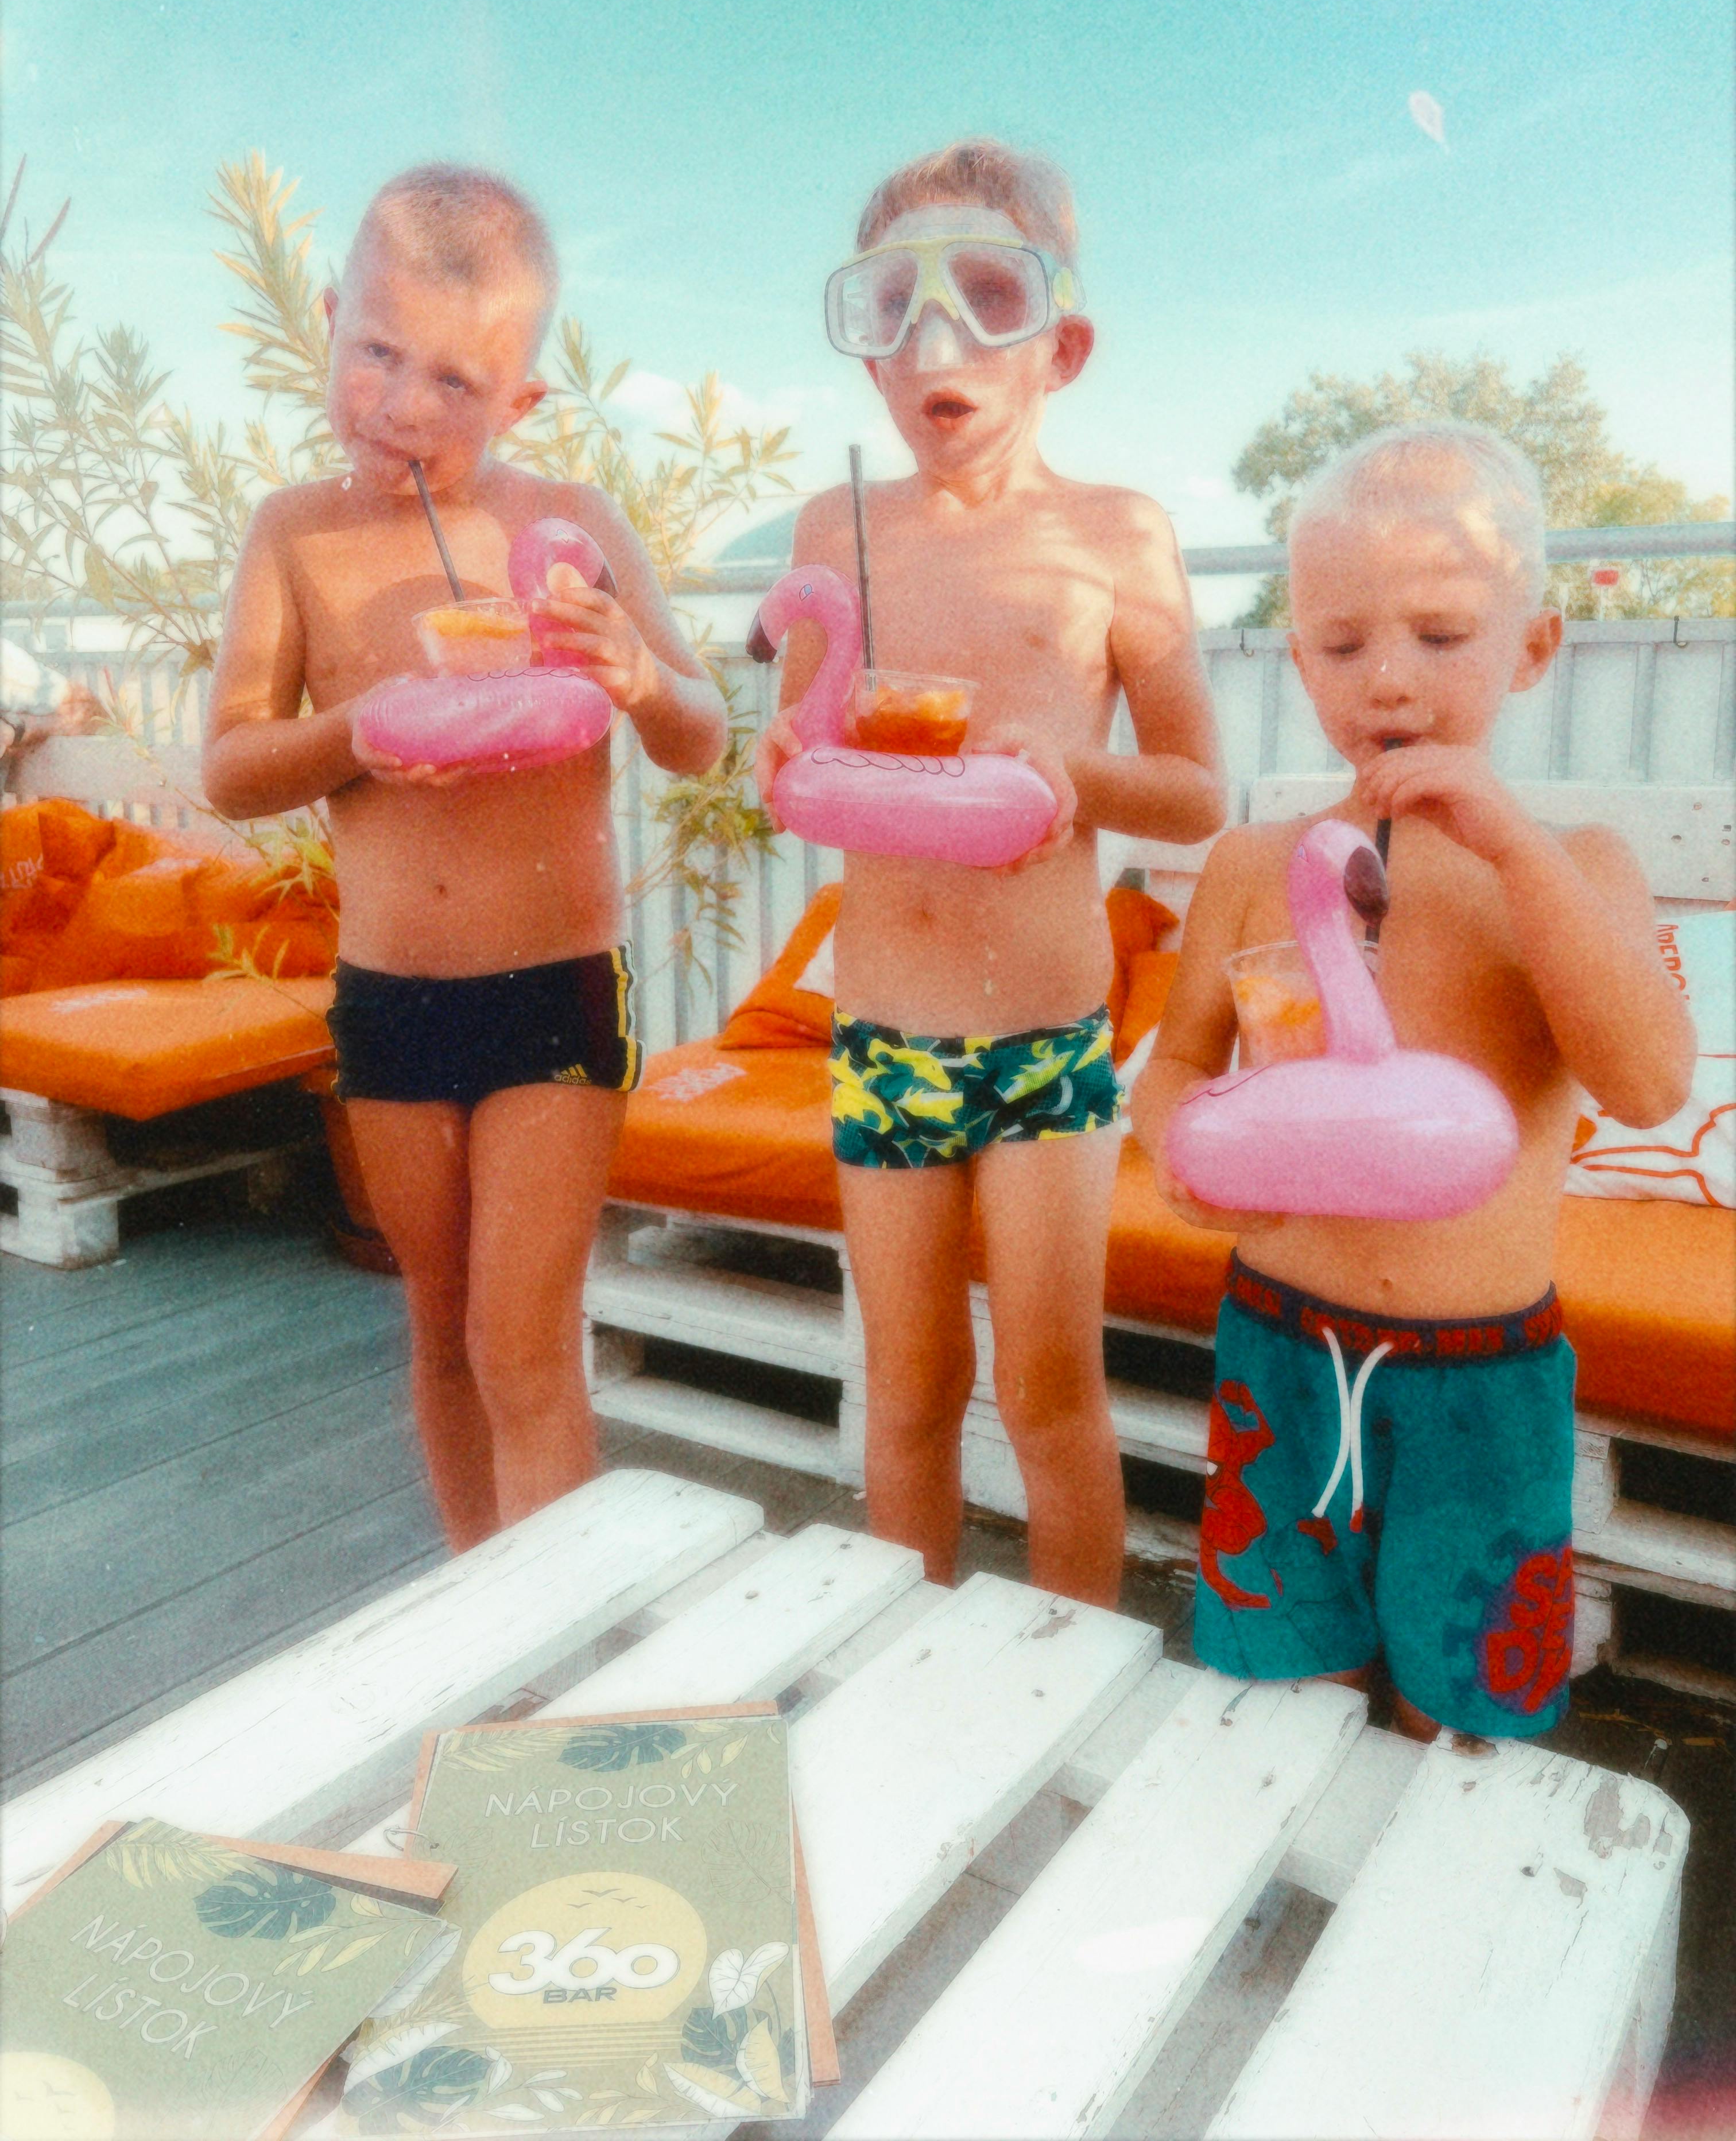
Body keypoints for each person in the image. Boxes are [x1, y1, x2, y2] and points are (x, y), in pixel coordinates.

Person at [1133, 424, 1694, 1737]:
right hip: (1276, 1346)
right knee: (1281, 1694)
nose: (1389, 679)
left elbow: (1649, 1082)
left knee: (1461, 1719)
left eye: (1441, 637)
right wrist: (1181, 1156)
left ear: (1534, 649)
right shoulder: (1252, 862)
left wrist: (1513, 851)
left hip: (1484, 1381)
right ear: (1297, 659)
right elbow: (1174, 1069)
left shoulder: (1578, 868)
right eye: (1342, 644)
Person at [203, 165, 726, 1551]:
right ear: (328, 325)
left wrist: (634, 672)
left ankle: (561, 1666)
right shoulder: (293, 536)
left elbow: (703, 739)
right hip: (392, 1000)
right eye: (376, 354)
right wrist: (360, 732)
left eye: (456, 382)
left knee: (520, 1341)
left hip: (553, 988)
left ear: (523, 404)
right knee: (437, 1333)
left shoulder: (570, 527)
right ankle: (480, 1622)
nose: (406, 405)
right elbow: (232, 768)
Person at [756, 140, 1226, 1603]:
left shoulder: (1115, 534)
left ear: (1058, 346)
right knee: (905, 1389)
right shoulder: (838, 532)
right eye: (889, 306)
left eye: (984, 294)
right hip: (885, 1033)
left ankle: (1067, 1679)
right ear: (867, 353)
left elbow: (1199, 791)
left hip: (1049, 1044)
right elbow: (796, 756)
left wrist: (1065, 771)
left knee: (1046, 1389)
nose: (933, 340)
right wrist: (793, 759)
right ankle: (915, 1681)